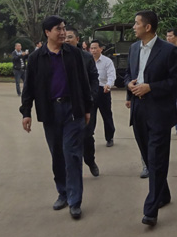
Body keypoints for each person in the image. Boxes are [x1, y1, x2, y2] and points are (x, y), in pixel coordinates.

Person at [20, 16, 94, 220]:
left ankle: (75, 200)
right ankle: (63, 193)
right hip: (50, 111)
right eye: (58, 29)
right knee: (58, 155)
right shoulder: (36, 58)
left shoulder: (74, 54)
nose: (62, 33)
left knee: (72, 154)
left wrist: (87, 108)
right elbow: (29, 87)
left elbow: (84, 82)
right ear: (47, 32)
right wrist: (26, 113)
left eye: (63, 29)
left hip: (73, 110)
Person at [125, 10, 177, 226]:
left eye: (136, 23)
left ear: (148, 27)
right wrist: (129, 85)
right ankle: (163, 194)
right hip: (139, 109)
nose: (134, 27)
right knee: (148, 156)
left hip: (159, 111)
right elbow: (128, 73)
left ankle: (151, 209)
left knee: (157, 158)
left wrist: (151, 87)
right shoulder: (133, 48)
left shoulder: (168, 50)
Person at [66, 28, 100, 176]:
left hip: (85, 103)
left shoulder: (86, 57)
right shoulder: (58, 56)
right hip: (67, 104)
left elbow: (94, 79)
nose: (66, 40)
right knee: (69, 139)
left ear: (77, 39)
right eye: (65, 37)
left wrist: (91, 98)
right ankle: (73, 169)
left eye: (70, 37)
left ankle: (90, 161)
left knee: (87, 135)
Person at [89, 40, 116, 147]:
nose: (93, 50)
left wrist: (108, 85)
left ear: (101, 49)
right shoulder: (87, 60)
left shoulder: (107, 61)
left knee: (107, 115)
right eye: (91, 48)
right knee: (91, 116)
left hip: (103, 91)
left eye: (95, 48)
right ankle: (89, 138)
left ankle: (109, 137)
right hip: (91, 91)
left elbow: (111, 75)